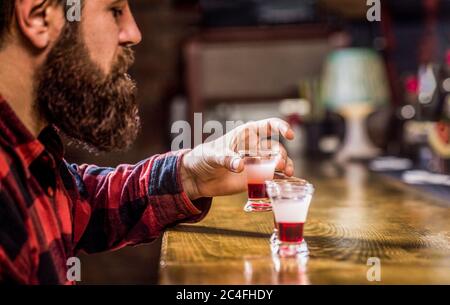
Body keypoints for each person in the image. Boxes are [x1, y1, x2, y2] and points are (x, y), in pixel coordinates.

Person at [0, 0, 295, 284]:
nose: (134, 34)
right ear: (39, 16)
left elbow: (82, 205)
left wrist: (189, 175)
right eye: (115, 10)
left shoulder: (32, 161)